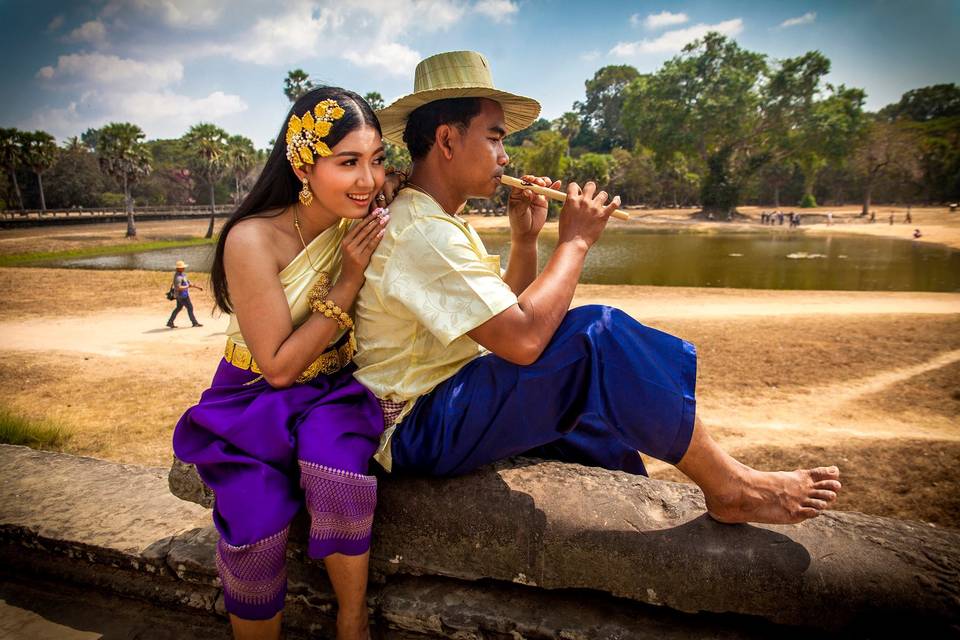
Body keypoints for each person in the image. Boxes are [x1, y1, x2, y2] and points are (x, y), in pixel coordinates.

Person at [354, 50, 842, 529]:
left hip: (444, 402)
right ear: (446, 139)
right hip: (415, 427)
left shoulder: (435, 220)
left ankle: (634, 507)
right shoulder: (422, 230)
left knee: (592, 405)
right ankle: (729, 485)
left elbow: (497, 320)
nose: (505, 156)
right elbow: (522, 342)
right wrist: (578, 241)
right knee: (597, 336)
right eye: (495, 139)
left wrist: (526, 241)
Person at [173, 87, 393, 640]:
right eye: (348, 162)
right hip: (252, 397)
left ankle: (353, 620)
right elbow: (275, 368)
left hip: (334, 388)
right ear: (302, 164)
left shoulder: (363, 216)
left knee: (339, 472)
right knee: (255, 523)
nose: (368, 180)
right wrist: (348, 281)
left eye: (377, 159)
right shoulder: (253, 239)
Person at [167, 260, 203, 328]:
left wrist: (197, 287)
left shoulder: (182, 275)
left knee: (178, 308)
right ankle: (194, 323)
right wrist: (187, 286)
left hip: (182, 295)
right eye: (182, 267)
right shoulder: (178, 277)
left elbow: (188, 283)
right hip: (182, 296)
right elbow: (178, 287)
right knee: (190, 308)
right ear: (178, 268)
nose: (184, 268)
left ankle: (170, 322)